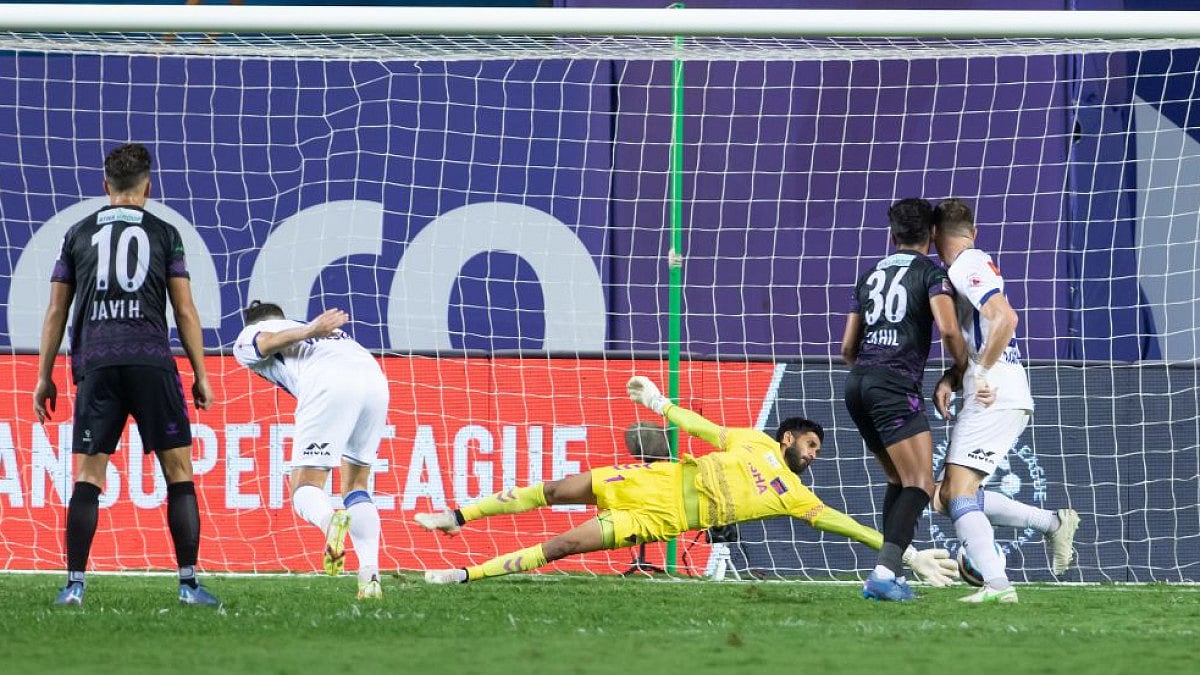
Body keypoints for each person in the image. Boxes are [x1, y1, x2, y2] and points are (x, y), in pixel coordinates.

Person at [414, 375, 959, 586]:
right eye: (811, 445)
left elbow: (842, 524)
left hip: (656, 518)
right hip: (648, 481)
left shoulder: (794, 497)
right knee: (555, 491)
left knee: (561, 545)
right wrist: (662, 406)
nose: (814, 456)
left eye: (817, 451)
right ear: (788, 437)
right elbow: (705, 428)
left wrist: (899, 552)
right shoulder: (751, 439)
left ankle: (464, 575)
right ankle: (457, 518)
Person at [33, 143, 219, 606]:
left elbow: (57, 309)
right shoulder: (164, 232)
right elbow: (185, 309)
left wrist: (43, 375)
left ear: (105, 186)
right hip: (151, 362)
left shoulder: (77, 232)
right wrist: (201, 372)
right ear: (148, 186)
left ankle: (74, 585)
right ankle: (188, 585)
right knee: (179, 473)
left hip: (97, 363)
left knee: (88, 477)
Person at [930, 198, 1080, 603]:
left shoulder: (967, 264)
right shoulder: (967, 264)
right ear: (972, 230)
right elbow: (983, 332)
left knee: (957, 493)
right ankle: (1052, 523)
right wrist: (954, 376)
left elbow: (1006, 319)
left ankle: (997, 584)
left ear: (932, 235)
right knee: (948, 494)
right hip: (999, 389)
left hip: (996, 392)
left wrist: (980, 373)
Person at [840, 197, 968, 602]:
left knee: (898, 479)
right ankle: (882, 574)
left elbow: (847, 347)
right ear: (932, 235)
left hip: (858, 384)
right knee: (920, 483)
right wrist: (961, 369)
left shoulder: (869, 275)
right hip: (894, 386)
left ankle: (889, 571)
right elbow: (948, 330)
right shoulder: (931, 273)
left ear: (892, 235)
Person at [232, 301, 387, 600]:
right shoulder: (326, 334)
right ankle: (370, 577)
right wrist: (312, 330)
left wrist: (311, 329)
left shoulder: (250, 334)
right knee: (356, 484)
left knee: (305, 485)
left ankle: (330, 523)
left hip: (329, 382)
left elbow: (264, 342)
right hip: (375, 380)